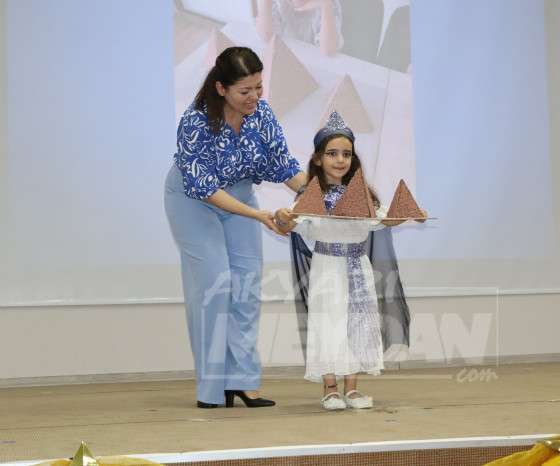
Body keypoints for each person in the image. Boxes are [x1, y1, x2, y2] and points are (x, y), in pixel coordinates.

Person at [164, 47, 306, 409]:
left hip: (239, 197)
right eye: (245, 90)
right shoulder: (195, 121)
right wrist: (259, 216)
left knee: (245, 288)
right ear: (221, 88)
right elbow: (205, 188)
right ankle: (211, 389)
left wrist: (322, 194)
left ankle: (242, 382)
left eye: (259, 87)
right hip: (194, 201)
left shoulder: (262, 114)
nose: (254, 96)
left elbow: (284, 165)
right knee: (216, 285)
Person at [275, 111, 413, 410]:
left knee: (358, 323)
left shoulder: (363, 196)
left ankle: (352, 389)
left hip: (358, 266)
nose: (340, 160)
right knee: (329, 323)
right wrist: (283, 217)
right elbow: (291, 224)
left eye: (346, 154)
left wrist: (408, 213)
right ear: (317, 159)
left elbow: (383, 220)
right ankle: (330, 388)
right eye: (332, 153)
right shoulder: (310, 197)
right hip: (327, 267)